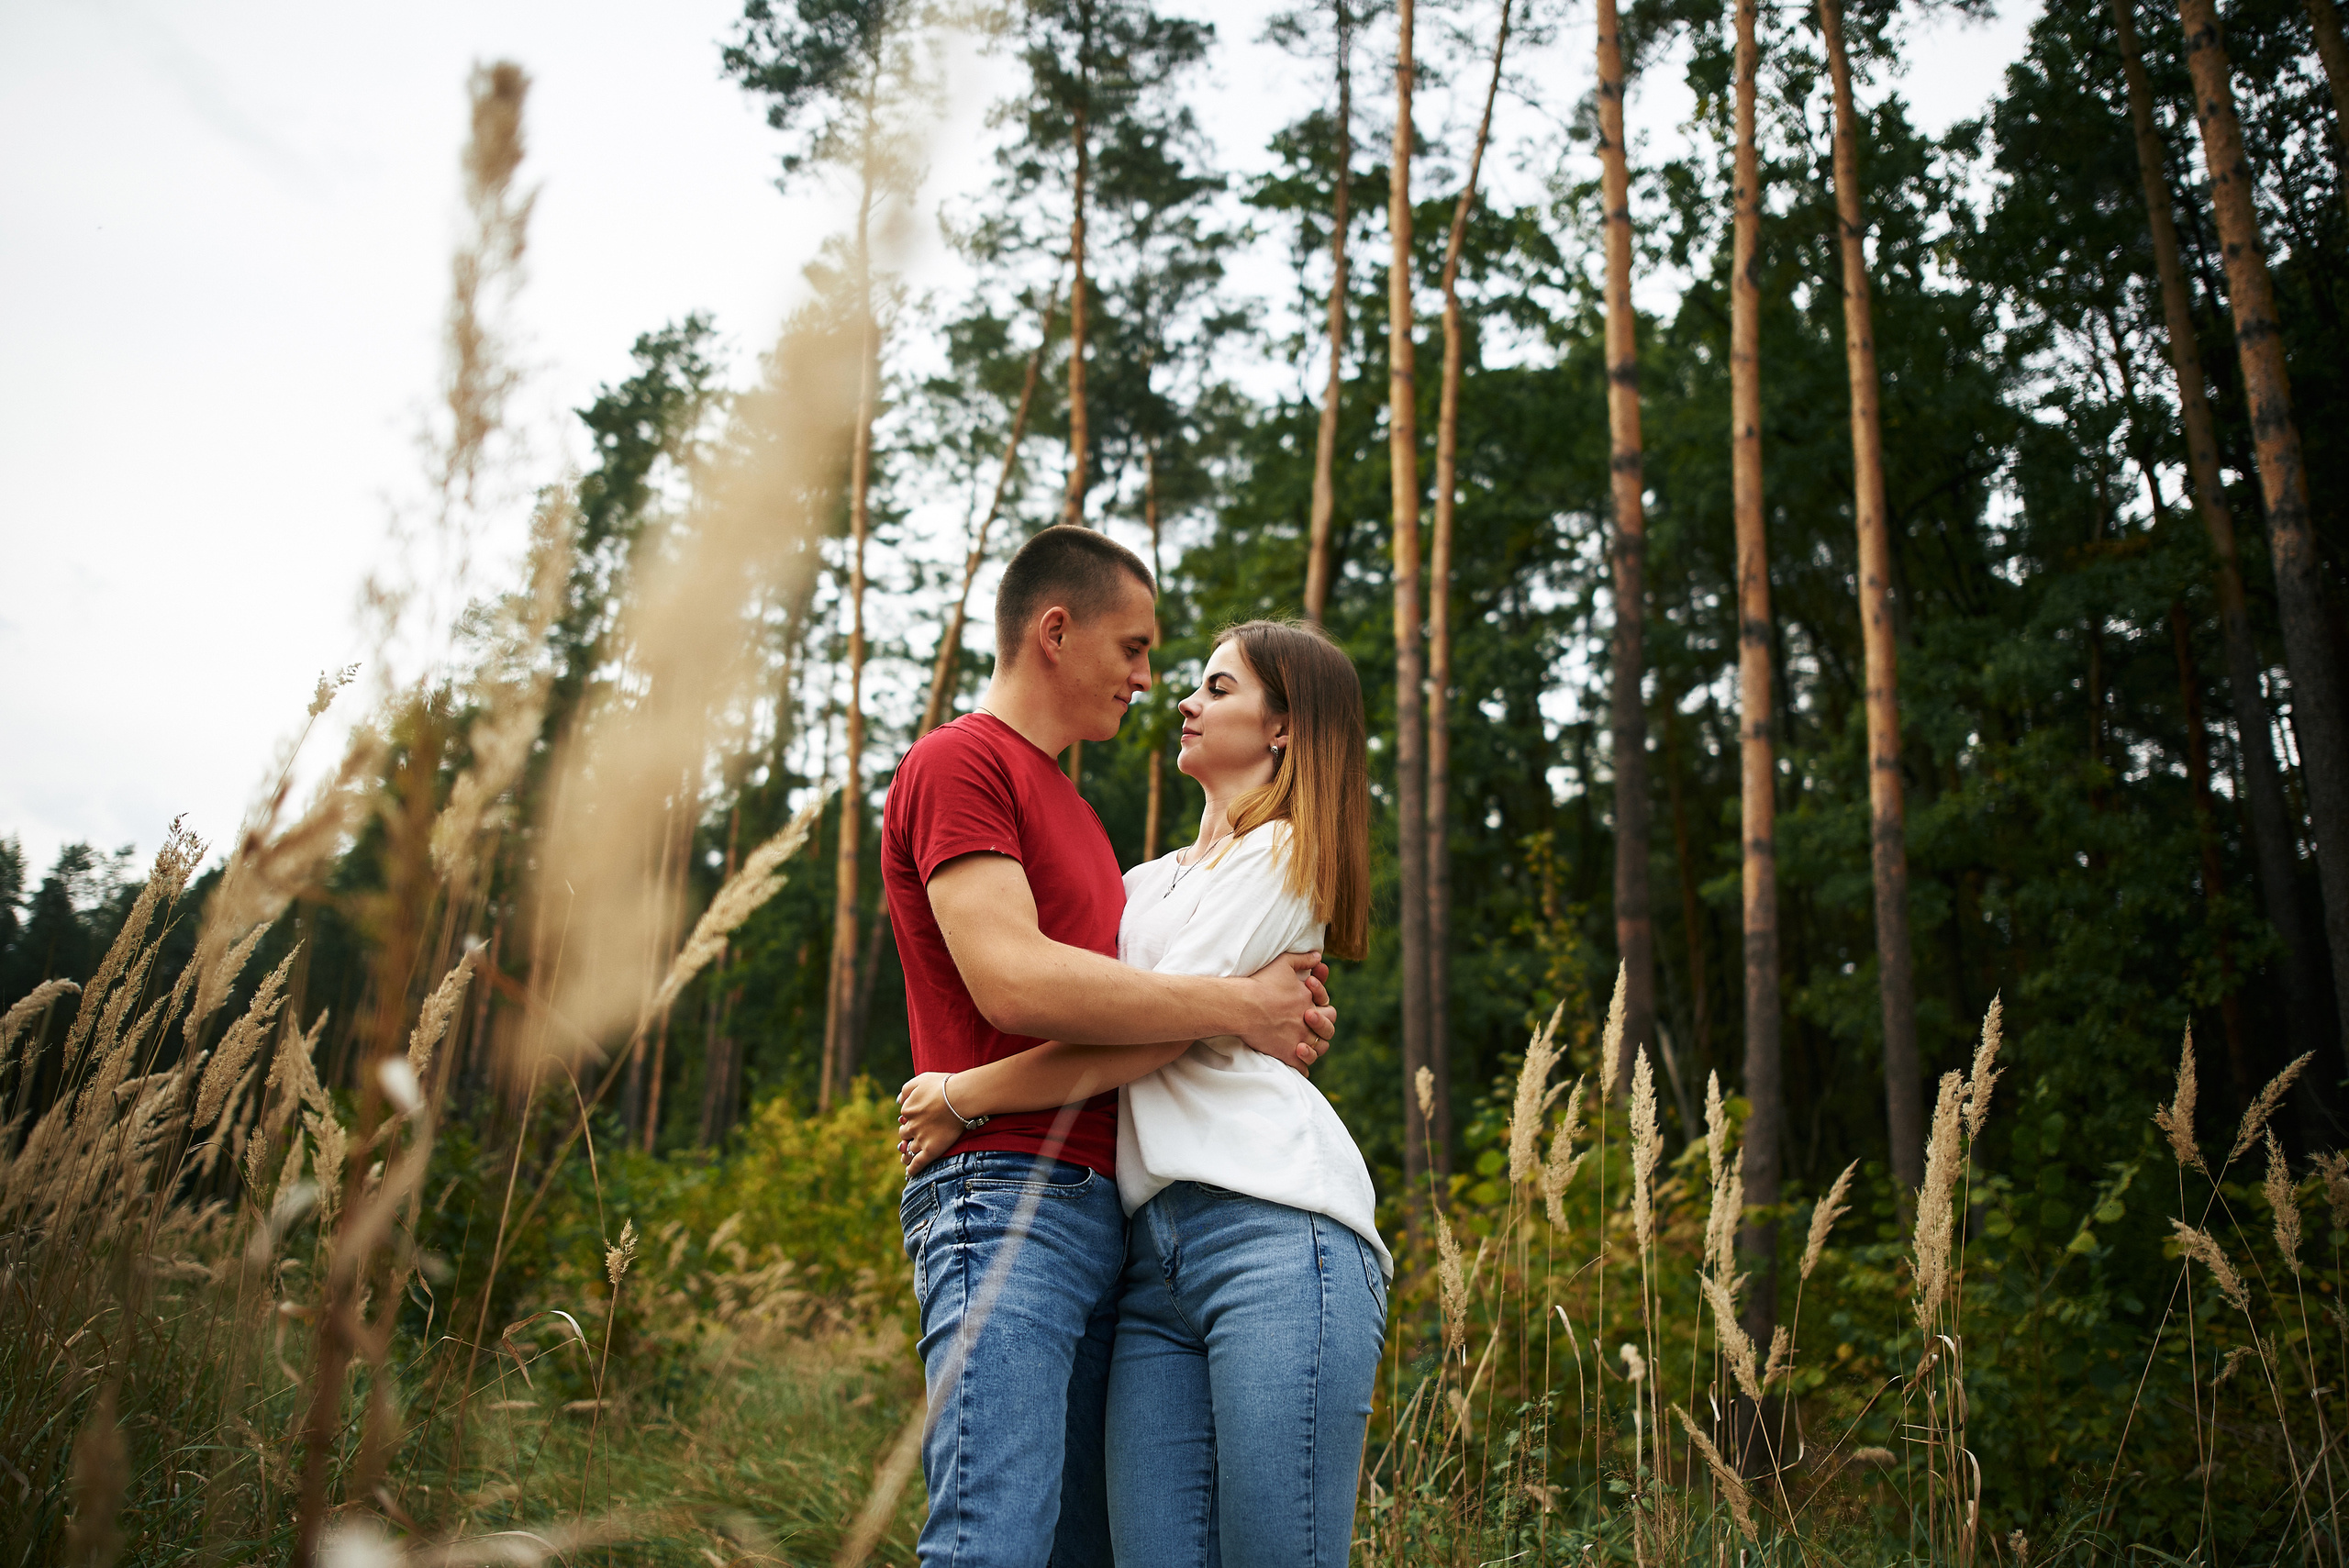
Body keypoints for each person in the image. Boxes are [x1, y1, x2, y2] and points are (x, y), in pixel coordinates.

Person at [881, 528, 1338, 1568]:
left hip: (1111, 1216)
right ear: (1055, 630)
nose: (1147, 679)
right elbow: (1015, 980)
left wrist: (1256, 1009)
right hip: (1005, 1191)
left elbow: (1142, 1005)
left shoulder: (1086, 824)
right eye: (1133, 648)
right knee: (990, 1540)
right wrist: (1237, 1004)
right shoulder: (962, 760)